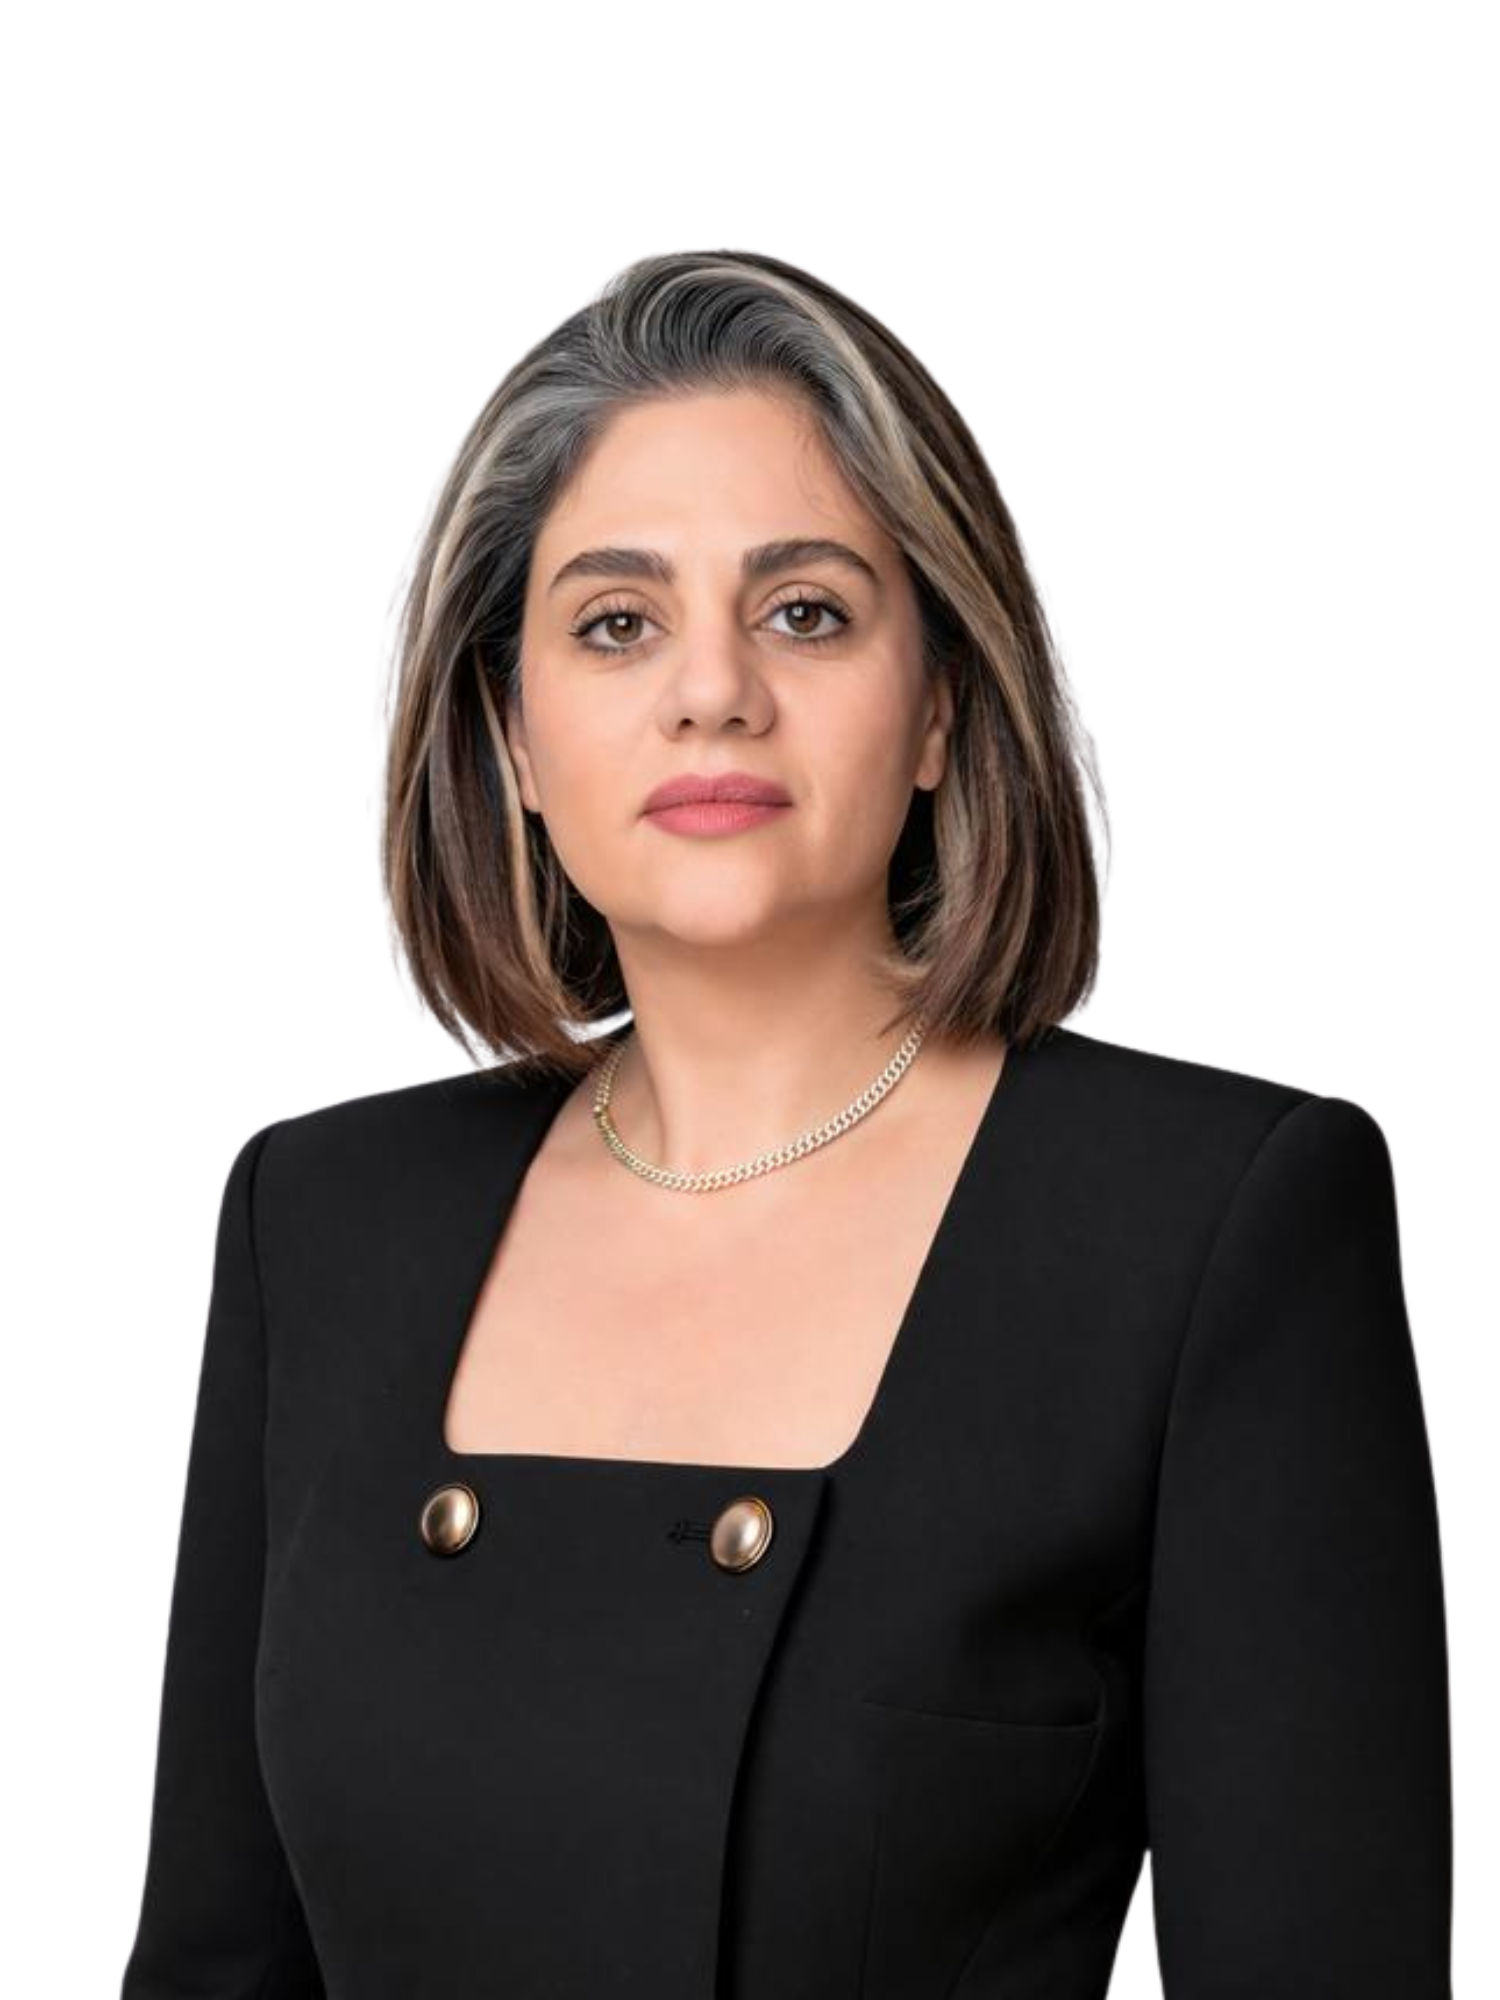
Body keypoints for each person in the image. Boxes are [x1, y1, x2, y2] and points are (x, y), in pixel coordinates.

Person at [120, 249, 1452, 1998]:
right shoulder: (322, 1217)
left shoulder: (1211, 1224)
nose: (713, 690)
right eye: (616, 622)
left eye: (806, 611)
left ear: (942, 706)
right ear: (511, 736)